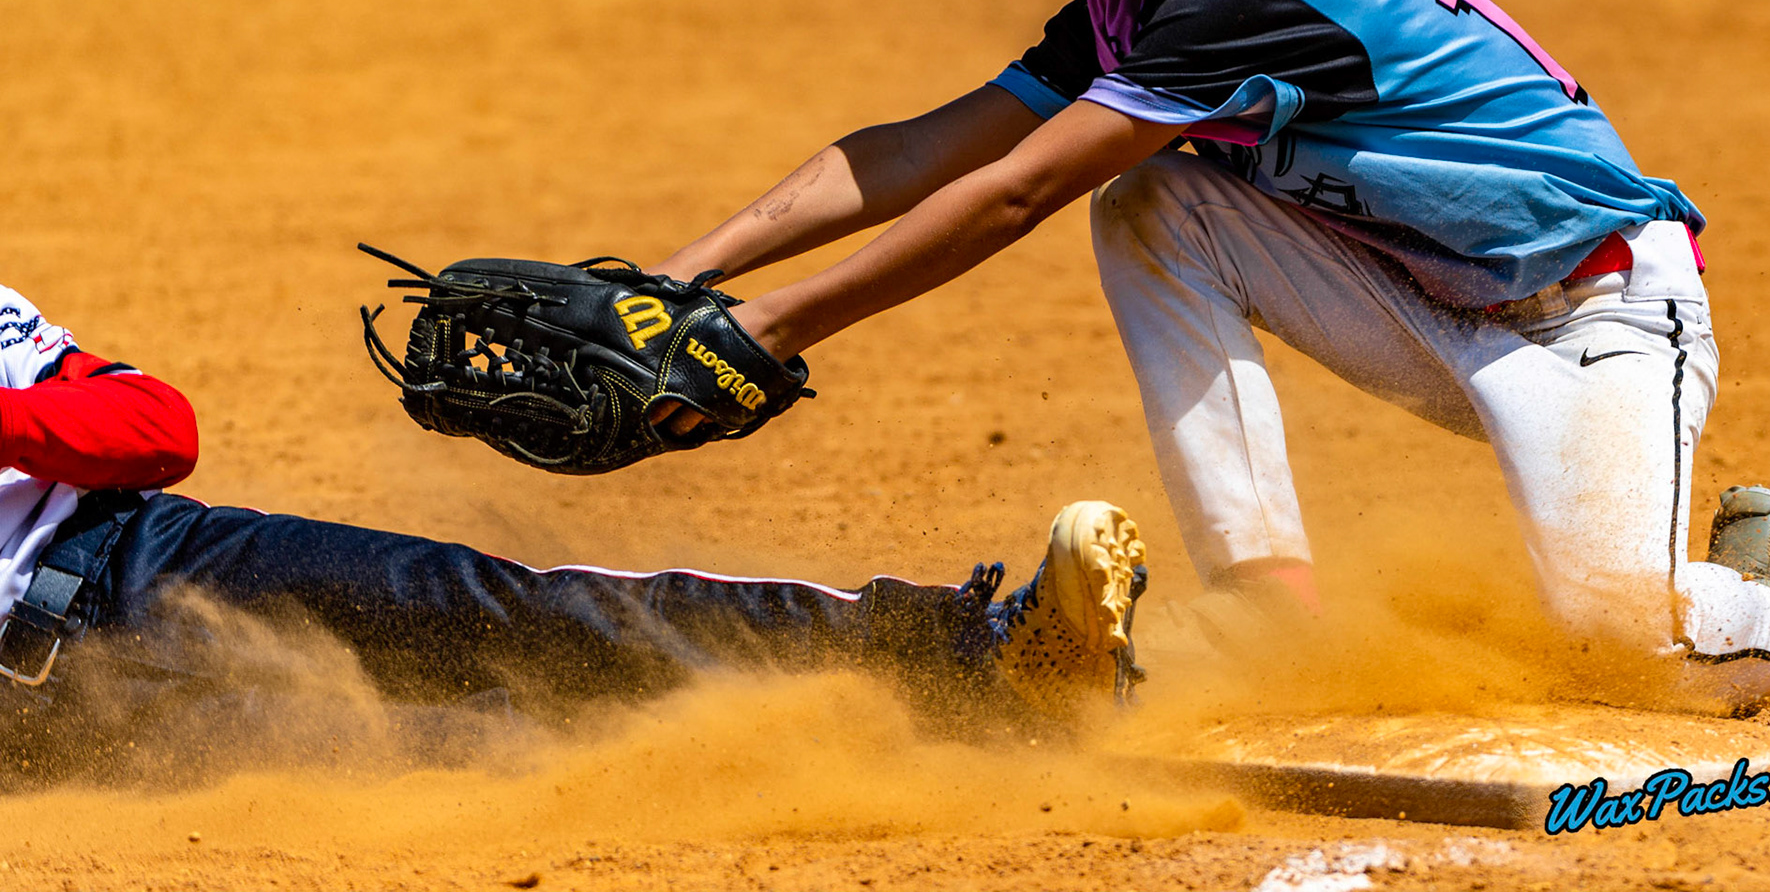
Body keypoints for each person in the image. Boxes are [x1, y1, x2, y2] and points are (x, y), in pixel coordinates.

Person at [644, 0, 1770, 712]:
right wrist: (684, 273)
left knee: (1624, 643)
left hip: (1601, 313)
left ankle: (1755, 591)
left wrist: (771, 327)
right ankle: (1265, 597)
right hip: (1431, 301)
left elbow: (1016, 190)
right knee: (1158, 201)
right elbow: (923, 147)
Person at [0, 281, 1150, 780]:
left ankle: (964, 653)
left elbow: (158, 426)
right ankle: (865, 746)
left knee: (515, 612)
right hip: (38, 719)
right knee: (450, 757)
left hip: (147, 552)